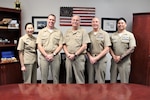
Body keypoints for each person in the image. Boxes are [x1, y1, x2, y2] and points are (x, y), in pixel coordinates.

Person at [63, 15, 90, 84]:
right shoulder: (67, 31)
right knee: (68, 78)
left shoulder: (83, 31)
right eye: (74, 20)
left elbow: (84, 46)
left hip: (79, 57)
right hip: (68, 57)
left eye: (77, 20)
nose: (75, 21)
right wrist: (68, 54)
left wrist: (75, 54)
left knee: (79, 78)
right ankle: (69, 94)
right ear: (71, 21)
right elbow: (64, 45)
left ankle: (80, 94)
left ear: (79, 22)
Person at [36, 14, 63, 84]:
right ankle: (43, 94)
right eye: (50, 19)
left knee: (56, 77)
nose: (51, 21)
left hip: (55, 56)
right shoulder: (41, 32)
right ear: (47, 20)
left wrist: (53, 54)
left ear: (55, 21)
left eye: (53, 20)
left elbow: (60, 45)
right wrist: (46, 55)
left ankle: (56, 94)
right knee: (44, 77)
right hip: (44, 56)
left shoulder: (59, 32)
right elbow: (39, 45)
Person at [110, 17, 136, 83]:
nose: (120, 24)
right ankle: (112, 93)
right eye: (119, 23)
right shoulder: (113, 35)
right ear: (117, 24)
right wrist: (114, 56)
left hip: (125, 62)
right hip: (114, 61)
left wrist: (121, 57)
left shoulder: (130, 35)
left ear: (125, 24)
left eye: (122, 23)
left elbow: (132, 48)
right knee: (112, 81)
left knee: (124, 82)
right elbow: (109, 47)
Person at [86, 17, 111, 83]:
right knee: (90, 80)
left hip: (101, 59)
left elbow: (107, 48)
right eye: (93, 22)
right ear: (91, 23)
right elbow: (86, 48)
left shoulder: (105, 34)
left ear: (99, 23)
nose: (95, 23)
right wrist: (90, 57)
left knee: (100, 80)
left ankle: (101, 93)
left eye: (96, 22)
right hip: (91, 60)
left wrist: (96, 58)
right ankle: (91, 93)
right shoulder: (88, 34)